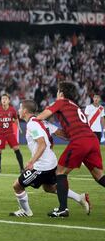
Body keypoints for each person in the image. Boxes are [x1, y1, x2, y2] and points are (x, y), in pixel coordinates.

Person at [10, 100, 90, 217]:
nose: (19, 110)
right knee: (49, 187)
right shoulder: (43, 122)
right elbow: (64, 135)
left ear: (25, 111)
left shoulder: (32, 124)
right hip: (52, 162)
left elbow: (42, 144)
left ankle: (26, 212)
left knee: (17, 186)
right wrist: (77, 129)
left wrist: (32, 161)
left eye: (20, 108)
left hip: (42, 166)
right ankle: (80, 198)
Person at [36, 81, 105, 217]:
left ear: (61, 93)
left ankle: (63, 209)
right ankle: (63, 208)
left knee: (60, 172)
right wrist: (56, 130)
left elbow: (40, 117)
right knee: (99, 176)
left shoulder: (61, 102)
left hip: (80, 141)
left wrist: (38, 120)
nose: (56, 94)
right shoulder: (76, 107)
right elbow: (68, 134)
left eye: (57, 92)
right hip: (92, 140)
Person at [0, 93, 23, 173]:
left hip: (10, 133)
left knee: (16, 149)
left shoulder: (12, 110)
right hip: (1, 134)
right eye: (2, 99)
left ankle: (22, 168)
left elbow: (16, 119)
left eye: (5, 99)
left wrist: (19, 127)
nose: (4, 100)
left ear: (9, 100)